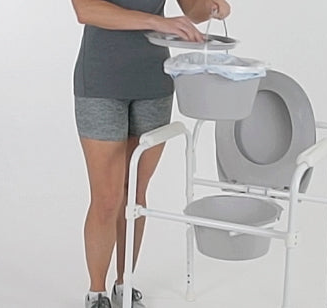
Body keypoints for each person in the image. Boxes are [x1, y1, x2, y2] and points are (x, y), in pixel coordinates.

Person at [70, 0, 231, 307]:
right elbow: (86, 11)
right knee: (107, 197)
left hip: (153, 83)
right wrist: (157, 22)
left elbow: (192, 12)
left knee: (135, 196)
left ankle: (124, 286)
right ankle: (97, 293)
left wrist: (210, 7)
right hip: (100, 83)